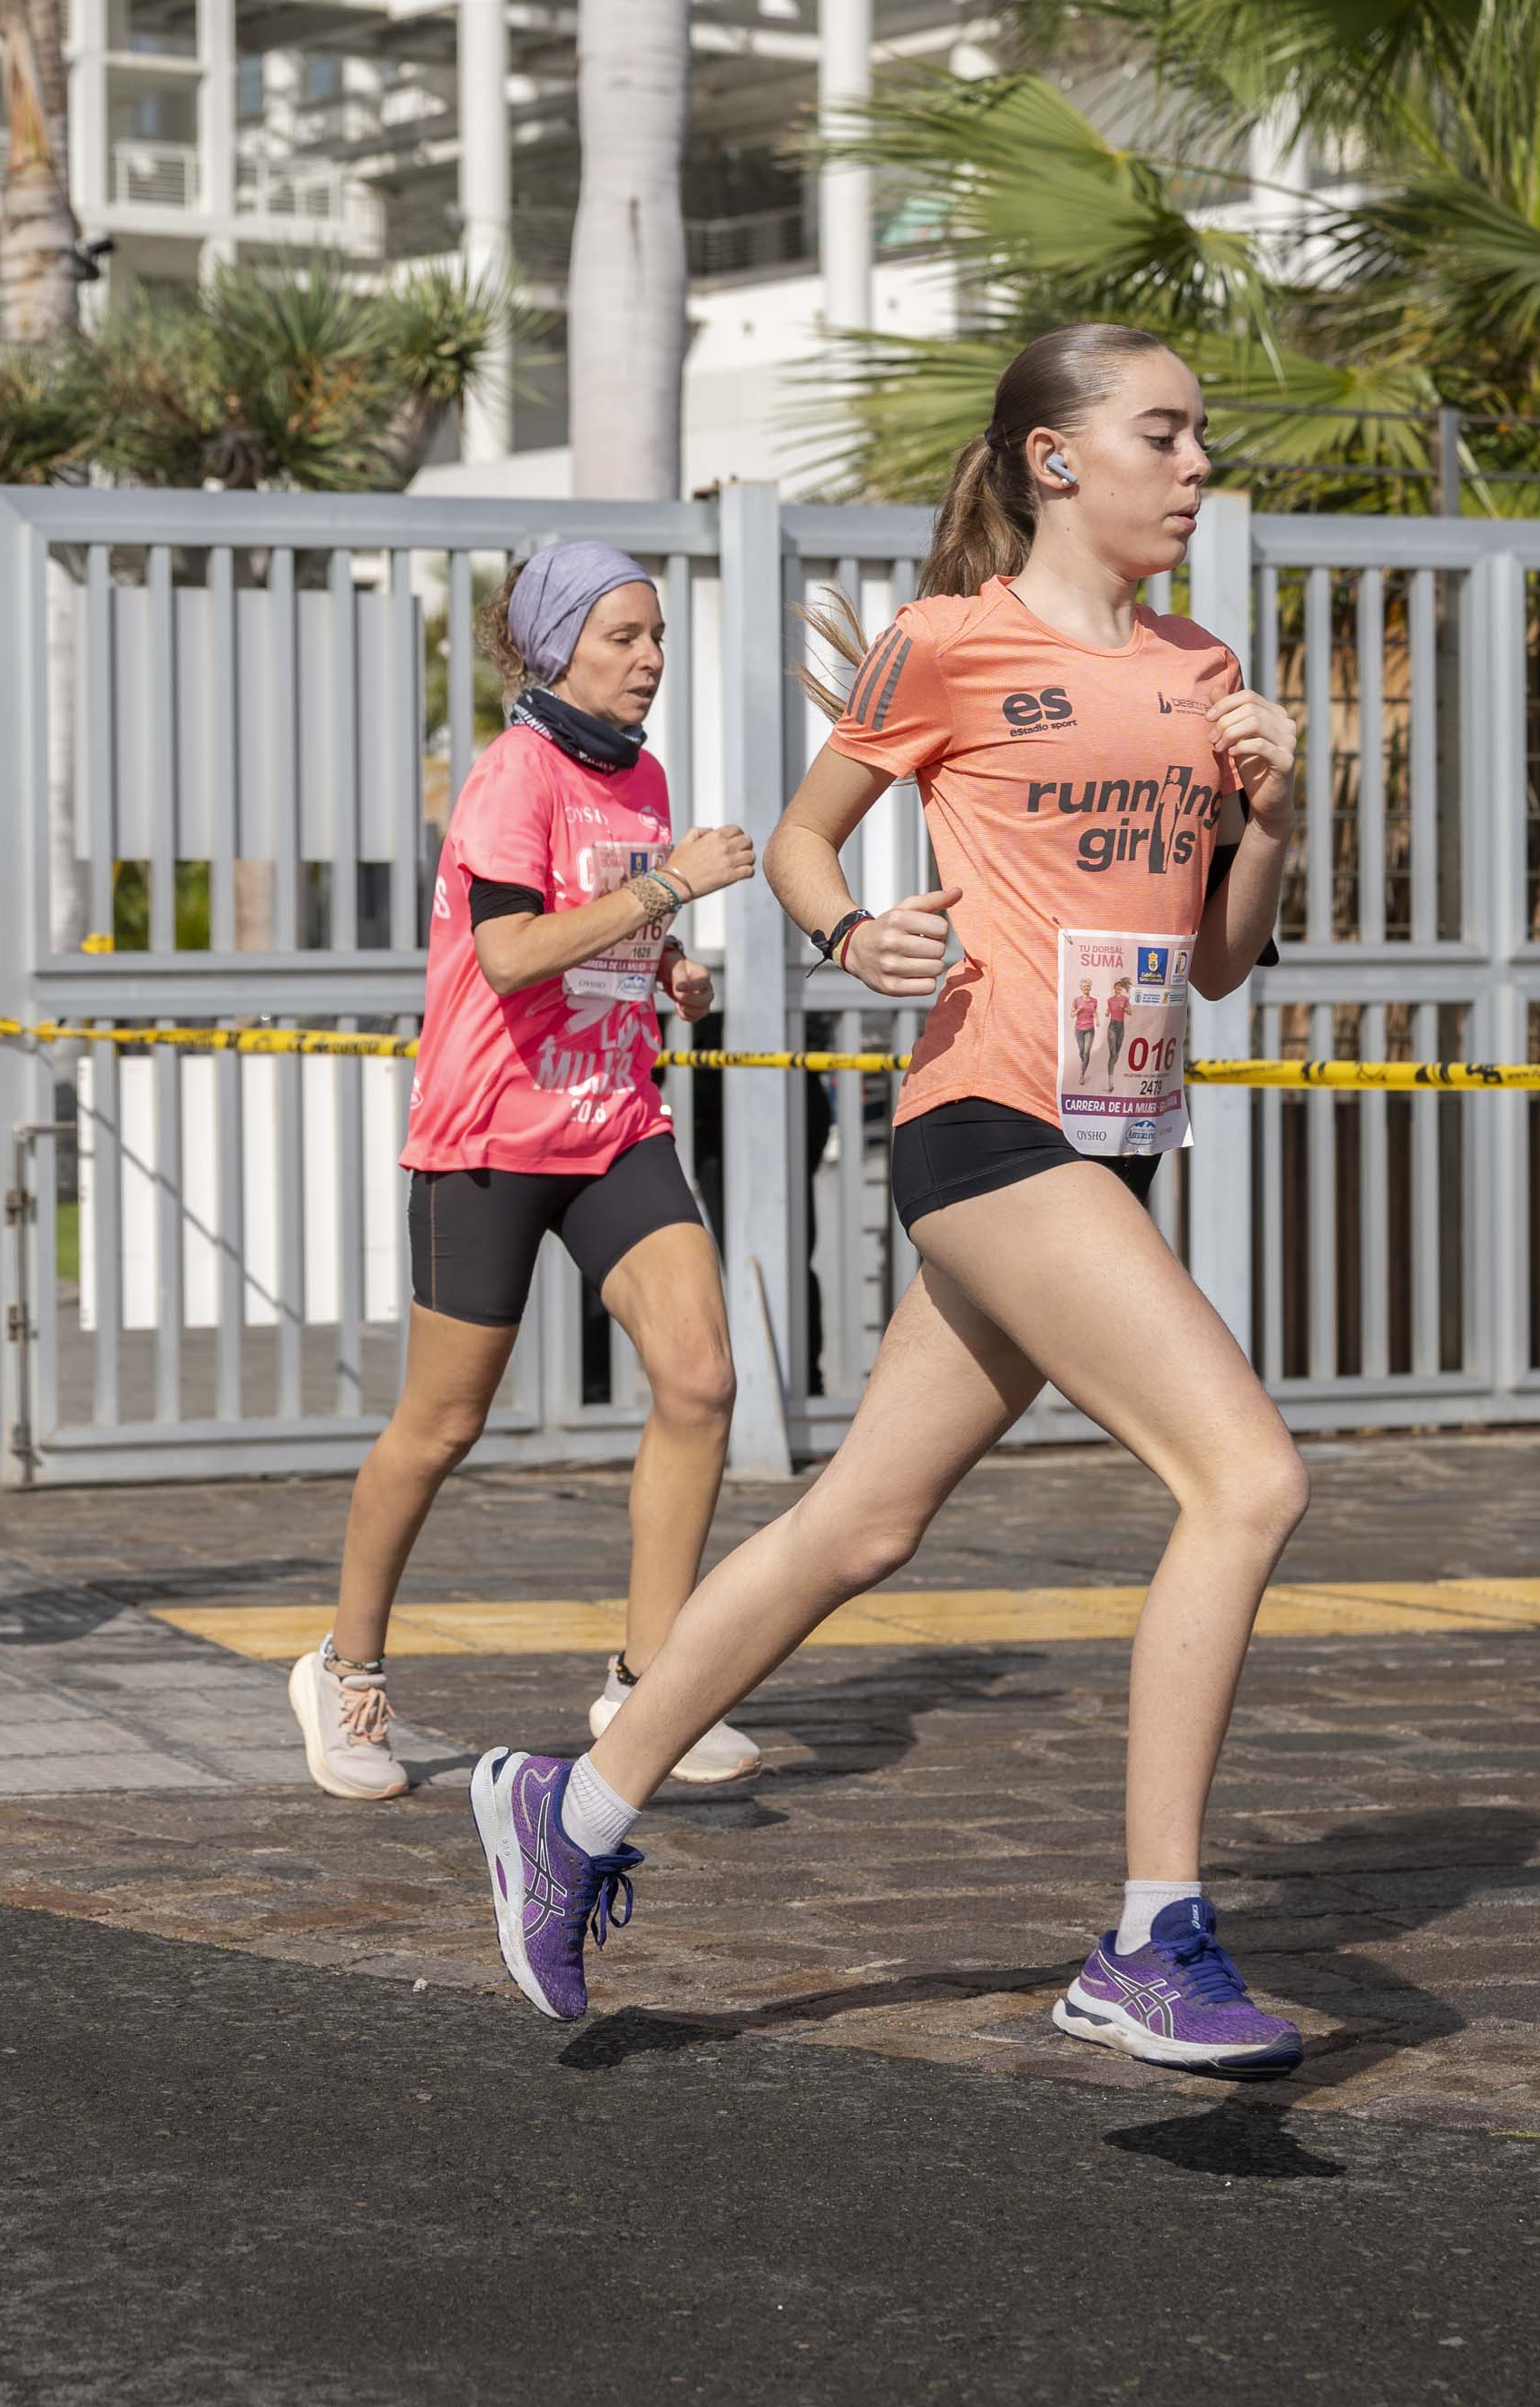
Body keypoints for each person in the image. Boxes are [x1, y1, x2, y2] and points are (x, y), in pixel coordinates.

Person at [468, 326, 1310, 2076]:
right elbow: (801, 838)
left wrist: (1281, 817)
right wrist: (856, 934)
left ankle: (576, 1803)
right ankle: (1153, 1936)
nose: (1197, 466)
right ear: (1055, 458)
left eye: (1200, 437)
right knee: (1247, 1477)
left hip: (1114, 1136)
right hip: (989, 1122)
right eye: (1164, 433)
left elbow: (1225, 962)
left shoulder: (1205, 669)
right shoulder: (947, 644)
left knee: (858, 1526)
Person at [290, 547, 758, 1803]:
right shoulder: (515, 771)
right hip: (488, 1136)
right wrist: (671, 884)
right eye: (622, 637)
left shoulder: (642, 773)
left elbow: (602, 929)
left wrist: (668, 964)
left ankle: (649, 1681)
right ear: (557, 649)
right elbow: (506, 951)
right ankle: (345, 1667)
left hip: (616, 1124)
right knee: (441, 1425)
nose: (649, 659)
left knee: (701, 1376)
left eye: (657, 637)